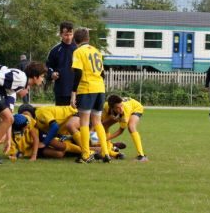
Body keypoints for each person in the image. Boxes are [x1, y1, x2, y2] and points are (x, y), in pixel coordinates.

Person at [70, 27, 111, 163]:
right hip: (100, 88)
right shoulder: (96, 51)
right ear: (88, 39)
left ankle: (86, 154)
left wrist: (73, 93)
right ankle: (105, 153)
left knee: (84, 122)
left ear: (76, 40)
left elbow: (78, 73)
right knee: (97, 122)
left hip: (86, 89)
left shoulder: (78, 52)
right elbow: (103, 73)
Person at [103, 95, 147, 161]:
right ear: (112, 108)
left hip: (136, 108)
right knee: (104, 125)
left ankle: (141, 155)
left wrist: (105, 139)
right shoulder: (106, 106)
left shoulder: (124, 112)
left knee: (131, 126)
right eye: (118, 107)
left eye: (121, 106)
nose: (121, 109)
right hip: (117, 113)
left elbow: (121, 131)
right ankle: (108, 148)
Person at [46, 22, 76, 106]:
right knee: (61, 117)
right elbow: (48, 66)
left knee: (76, 117)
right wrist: (52, 73)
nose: (69, 37)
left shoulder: (78, 49)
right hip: (61, 90)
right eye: (66, 35)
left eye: (70, 34)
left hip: (77, 90)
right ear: (61, 34)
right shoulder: (55, 50)